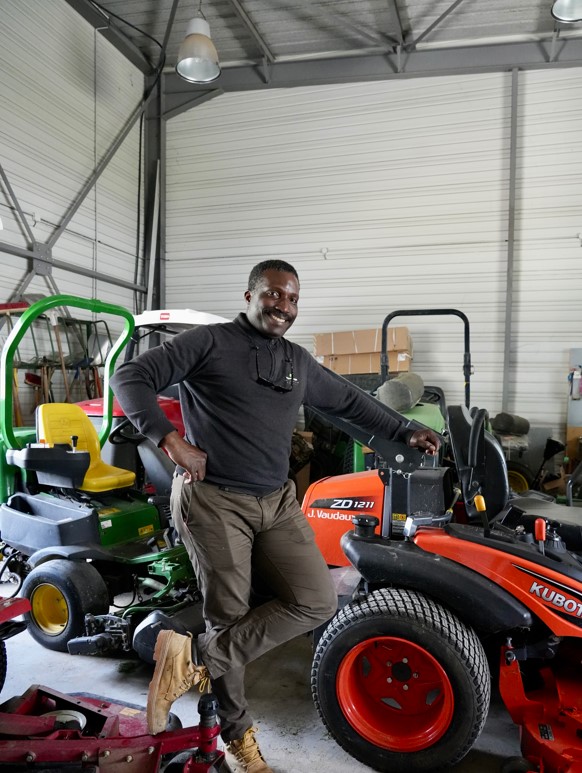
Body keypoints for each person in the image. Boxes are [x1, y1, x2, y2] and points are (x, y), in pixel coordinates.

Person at [110, 260, 440, 772]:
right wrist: (169, 439)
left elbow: (351, 402)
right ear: (249, 294)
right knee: (230, 618)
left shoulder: (296, 361)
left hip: (277, 501)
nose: (283, 306)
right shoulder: (209, 343)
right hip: (214, 500)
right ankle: (237, 740)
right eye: (273, 295)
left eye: (291, 299)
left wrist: (404, 430)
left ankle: (192, 659)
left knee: (315, 600)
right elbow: (130, 374)